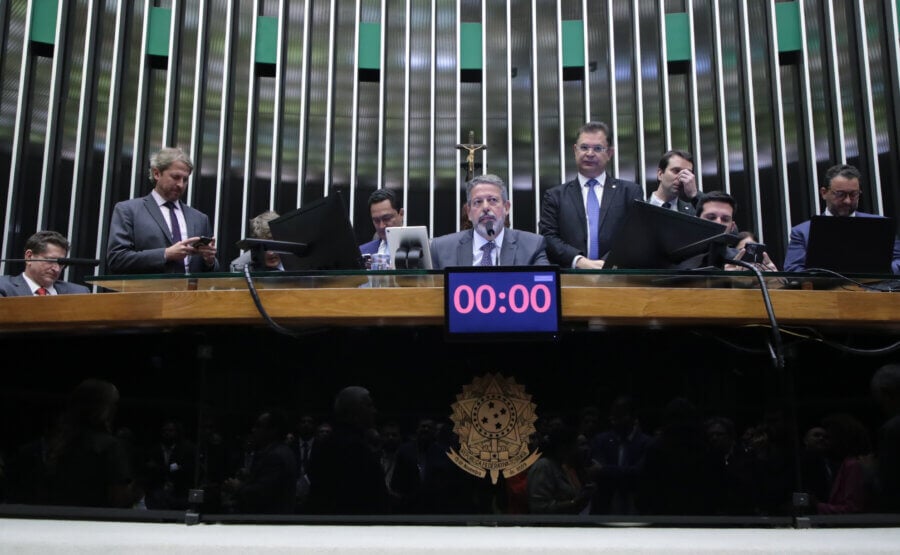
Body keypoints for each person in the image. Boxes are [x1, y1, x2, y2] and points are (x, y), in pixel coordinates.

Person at [539, 121, 644, 269]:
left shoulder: (630, 192)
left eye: (598, 148)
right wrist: (579, 261)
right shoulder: (555, 196)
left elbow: (636, 235)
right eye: (584, 147)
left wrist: (609, 263)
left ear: (609, 153)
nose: (589, 153)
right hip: (570, 278)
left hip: (618, 277)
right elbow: (548, 237)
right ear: (575, 150)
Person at [106, 146, 219, 274]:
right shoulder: (128, 211)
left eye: (185, 179)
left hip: (191, 292)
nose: (181, 184)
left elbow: (212, 272)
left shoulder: (199, 219)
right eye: (175, 177)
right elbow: (117, 260)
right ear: (156, 174)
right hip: (147, 292)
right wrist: (165, 254)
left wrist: (209, 260)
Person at [784, 163, 900, 273]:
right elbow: (793, 269)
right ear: (824, 193)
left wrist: (878, 270)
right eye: (841, 194)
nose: (848, 201)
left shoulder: (881, 225)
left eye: (854, 194)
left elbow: (898, 261)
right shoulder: (802, 232)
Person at [430, 174, 549, 268]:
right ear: (469, 212)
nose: (485, 207)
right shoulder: (440, 249)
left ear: (506, 208)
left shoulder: (532, 246)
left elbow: (545, 289)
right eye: (478, 202)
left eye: (492, 200)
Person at [696, 191, 779, 271]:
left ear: (732, 227)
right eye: (711, 217)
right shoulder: (683, 256)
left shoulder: (745, 260)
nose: (718, 222)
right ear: (696, 222)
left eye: (725, 219)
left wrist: (774, 282)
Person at [0, 230, 91, 296]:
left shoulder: (79, 293)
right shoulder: (4, 287)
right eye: (51, 260)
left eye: (61, 263)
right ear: (29, 257)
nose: (56, 269)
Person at [647, 149, 699, 214]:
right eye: (676, 171)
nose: (681, 178)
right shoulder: (639, 209)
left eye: (687, 173)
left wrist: (694, 195)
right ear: (660, 174)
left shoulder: (693, 211)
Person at [359, 189, 404, 258]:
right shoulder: (362, 253)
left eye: (387, 218)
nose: (381, 226)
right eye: (376, 220)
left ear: (401, 214)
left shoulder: (423, 249)